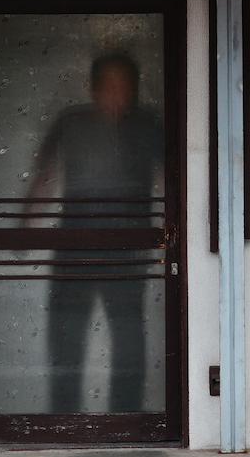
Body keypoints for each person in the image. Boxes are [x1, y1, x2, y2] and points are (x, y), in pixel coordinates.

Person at [28, 52, 163, 415]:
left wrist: (176, 236)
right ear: (93, 88)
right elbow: (45, 175)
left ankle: (127, 421)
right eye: (109, 86)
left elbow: (173, 181)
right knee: (66, 339)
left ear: (134, 90)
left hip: (130, 247)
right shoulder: (71, 123)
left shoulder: (148, 125)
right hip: (74, 245)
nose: (116, 94)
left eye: (124, 87)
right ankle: (64, 421)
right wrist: (26, 226)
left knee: (129, 340)